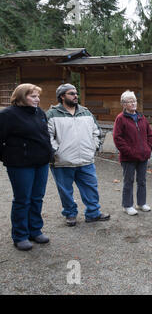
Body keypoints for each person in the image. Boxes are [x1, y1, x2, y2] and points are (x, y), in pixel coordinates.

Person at [46, 83, 110, 226]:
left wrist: (93, 147)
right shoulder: (51, 114)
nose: (76, 96)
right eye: (71, 93)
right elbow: (46, 137)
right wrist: (57, 152)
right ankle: (70, 214)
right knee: (66, 191)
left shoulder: (86, 112)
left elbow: (97, 132)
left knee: (91, 188)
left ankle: (93, 213)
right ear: (62, 96)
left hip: (86, 160)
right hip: (62, 162)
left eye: (76, 93)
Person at [0, 84, 53, 250]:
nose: (37, 99)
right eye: (33, 96)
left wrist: (49, 153)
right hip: (20, 165)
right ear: (21, 97)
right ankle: (20, 235)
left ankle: (35, 230)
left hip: (41, 163)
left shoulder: (40, 113)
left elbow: (44, 137)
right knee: (23, 199)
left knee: (37, 197)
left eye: (38, 96)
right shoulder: (8, 115)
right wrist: (9, 157)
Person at [113, 90, 152, 216]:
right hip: (128, 158)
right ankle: (127, 205)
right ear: (124, 104)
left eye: (134, 101)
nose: (133, 103)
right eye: (130, 101)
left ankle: (141, 203)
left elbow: (150, 135)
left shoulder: (142, 117)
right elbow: (117, 138)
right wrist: (130, 152)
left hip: (143, 156)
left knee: (142, 180)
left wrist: (148, 149)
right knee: (128, 181)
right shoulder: (120, 119)